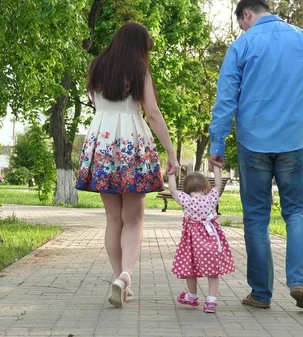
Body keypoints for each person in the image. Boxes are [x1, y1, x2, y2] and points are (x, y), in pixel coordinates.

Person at [208, 0, 303, 310]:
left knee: (255, 217)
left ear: (247, 14)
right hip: (293, 140)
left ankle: (261, 294)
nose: (242, 28)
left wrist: (217, 144)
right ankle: (300, 281)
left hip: (253, 142)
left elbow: (226, 97)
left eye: (241, 23)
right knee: (296, 211)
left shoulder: (242, 45)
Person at [75, 22, 179, 308]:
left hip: (103, 142)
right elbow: (153, 113)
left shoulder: (96, 66)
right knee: (133, 218)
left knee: (113, 219)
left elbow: (97, 104)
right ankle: (125, 276)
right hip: (132, 141)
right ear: (139, 47)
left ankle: (118, 278)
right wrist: (171, 153)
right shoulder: (139, 70)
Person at [168, 166, 236, 313]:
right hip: (211, 242)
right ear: (206, 187)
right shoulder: (211, 199)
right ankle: (211, 301)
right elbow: (218, 185)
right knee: (213, 272)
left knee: (190, 270)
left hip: (192, 245)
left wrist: (171, 174)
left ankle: (192, 296)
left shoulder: (186, 200)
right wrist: (217, 169)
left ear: (186, 188)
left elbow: (173, 191)